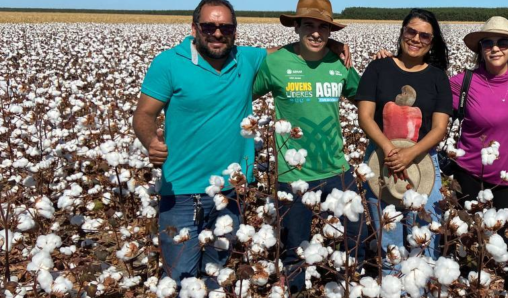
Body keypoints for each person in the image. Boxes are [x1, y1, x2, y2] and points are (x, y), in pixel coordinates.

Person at [133, 0, 351, 289]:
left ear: (235, 31)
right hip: (182, 192)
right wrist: (150, 140)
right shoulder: (169, 62)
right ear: (194, 28)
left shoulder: (246, 58)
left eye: (226, 27)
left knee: (216, 272)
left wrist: (331, 45)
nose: (218, 33)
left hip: (231, 190)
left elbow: (290, 53)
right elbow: (144, 114)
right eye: (209, 26)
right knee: (180, 277)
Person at [251, 0, 365, 293]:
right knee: (295, 249)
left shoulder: (338, 62)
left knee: (356, 237)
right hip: (294, 175)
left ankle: (353, 285)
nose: (316, 33)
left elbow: (365, 99)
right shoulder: (275, 63)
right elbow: (240, 95)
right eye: (309, 26)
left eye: (323, 27)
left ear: (330, 31)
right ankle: (297, 291)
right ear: (296, 27)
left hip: (337, 168)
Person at [356, 8, 452, 266]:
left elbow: (439, 128)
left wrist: (410, 153)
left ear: (432, 43)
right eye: (412, 31)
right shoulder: (378, 68)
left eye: (425, 36)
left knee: (424, 237)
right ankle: (392, 285)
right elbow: (365, 116)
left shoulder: (437, 77)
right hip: (380, 160)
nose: (416, 39)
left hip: (423, 162)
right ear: (402, 32)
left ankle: (422, 288)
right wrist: (389, 149)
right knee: (390, 242)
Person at [448, 16, 508, 291]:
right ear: (480, 48)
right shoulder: (462, 81)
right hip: (470, 174)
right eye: (488, 43)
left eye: (503, 43)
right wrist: (391, 62)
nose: (495, 48)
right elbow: (425, 95)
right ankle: (469, 289)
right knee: (468, 242)